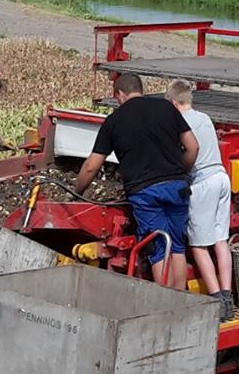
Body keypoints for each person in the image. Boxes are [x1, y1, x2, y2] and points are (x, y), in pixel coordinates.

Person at [72, 73, 199, 290]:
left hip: (146, 192)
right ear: (142, 89)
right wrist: (179, 173)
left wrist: (77, 191)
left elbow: (92, 166)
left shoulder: (114, 121)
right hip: (177, 187)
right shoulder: (166, 108)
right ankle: (180, 299)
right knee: (176, 245)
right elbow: (193, 146)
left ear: (119, 94)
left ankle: (165, 301)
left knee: (158, 247)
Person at [167, 78, 235, 319]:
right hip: (222, 177)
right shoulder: (204, 118)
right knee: (220, 239)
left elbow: (182, 154)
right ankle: (227, 293)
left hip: (203, 182)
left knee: (198, 244)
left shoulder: (180, 122)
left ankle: (216, 298)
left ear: (174, 102)